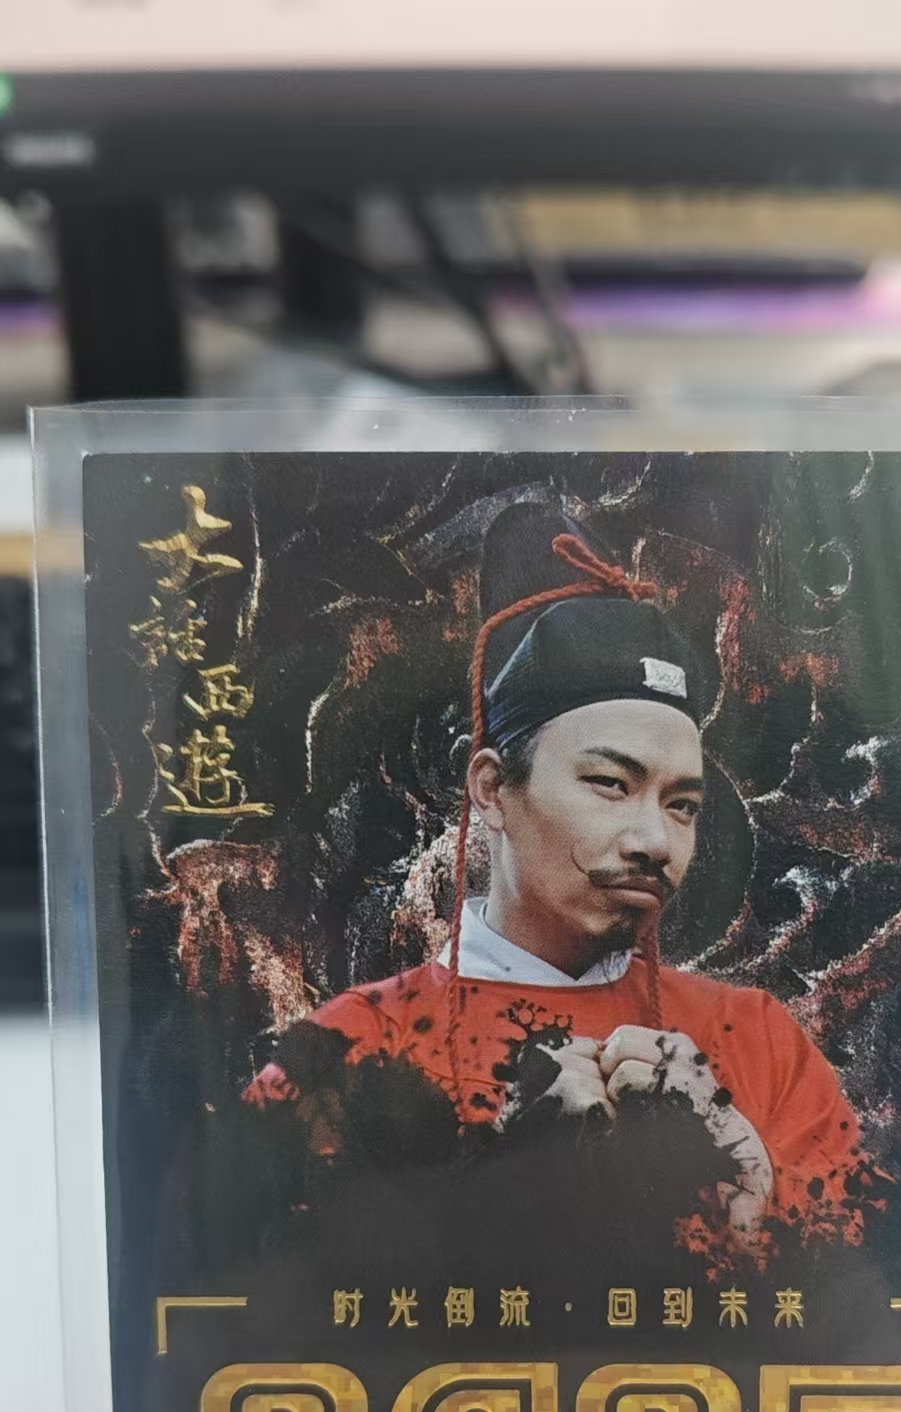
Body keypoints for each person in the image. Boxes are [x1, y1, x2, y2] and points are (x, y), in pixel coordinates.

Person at [247, 503, 863, 1253]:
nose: (654, 841)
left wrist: (750, 1197)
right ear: (491, 789)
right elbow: (250, 1291)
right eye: (609, 784)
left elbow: (861, 1295)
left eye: (682, 805)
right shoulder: (348, 1050)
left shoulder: (757, 1040)